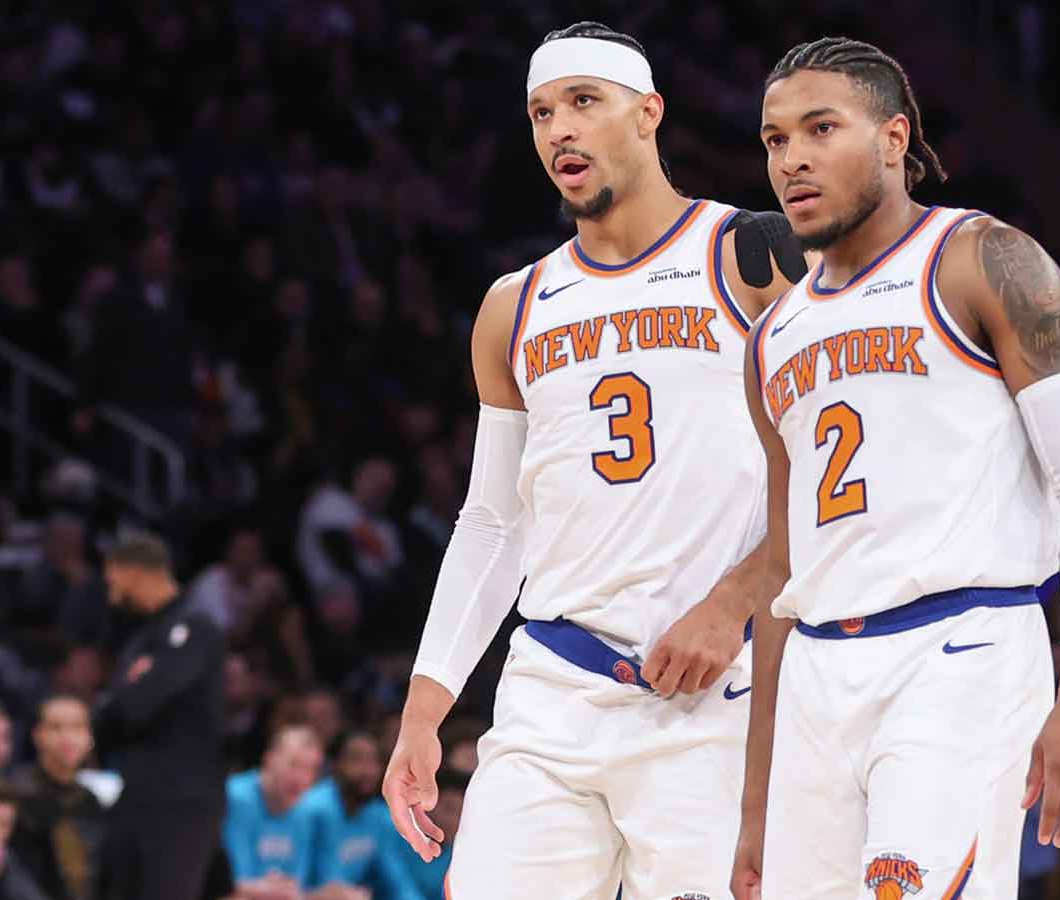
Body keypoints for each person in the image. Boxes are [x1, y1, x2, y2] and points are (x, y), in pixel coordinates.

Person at [380, 20, 805, 900]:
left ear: (648, 113)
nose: (559, 130)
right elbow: (494, 522)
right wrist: (426, 710)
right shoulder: (515, 305)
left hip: (713, 698)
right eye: (540, 113)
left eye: (583, 103)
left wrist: (733, 604)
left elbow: (843, 471)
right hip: (553, 694)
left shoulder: (753, 258)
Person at [737, 36, 1060, 899]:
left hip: (960, 648)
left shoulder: (981, 258)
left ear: (893, 137)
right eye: (774, 140)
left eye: (820, 128)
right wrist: (755, 803)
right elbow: (780, 569)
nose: (793, 158)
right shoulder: (773, 334)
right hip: (816, 670)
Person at [93, 531, 225, 900]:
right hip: (136, 794)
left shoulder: (195, 628)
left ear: (132, 571)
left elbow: (135, 706)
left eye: (112, 579)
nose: (110, 592)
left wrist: (123, 696)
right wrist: (124, 696)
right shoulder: (139, 641)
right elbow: (107, 719)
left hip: (181, 805)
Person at [302, 729, 420, 900]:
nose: (368, 770)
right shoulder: (315, 809)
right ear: (335, 765)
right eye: (357, 760)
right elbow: (330, 885)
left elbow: (397, 881)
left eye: (373, 761)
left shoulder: (378, 816)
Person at [11, 694, 105, 900]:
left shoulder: (91, 800)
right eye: (56, 727)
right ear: (37, 735)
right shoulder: (17, 795)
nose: (68, 737)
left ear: (90, 738)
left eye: (77, 727)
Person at [222, 725, 323, 899]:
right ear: (269, 759)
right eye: (294, 765)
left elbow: (296, 884)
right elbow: (230, 883)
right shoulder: (236, 799)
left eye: (310, 769)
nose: (301, 778)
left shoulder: (304, 811)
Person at [395, 768, 464, 900]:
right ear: (424, 805)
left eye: (460, 813)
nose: (454, 820)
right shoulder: (398, 837)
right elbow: (398, 887)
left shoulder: (459, 851)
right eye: (448, 809)